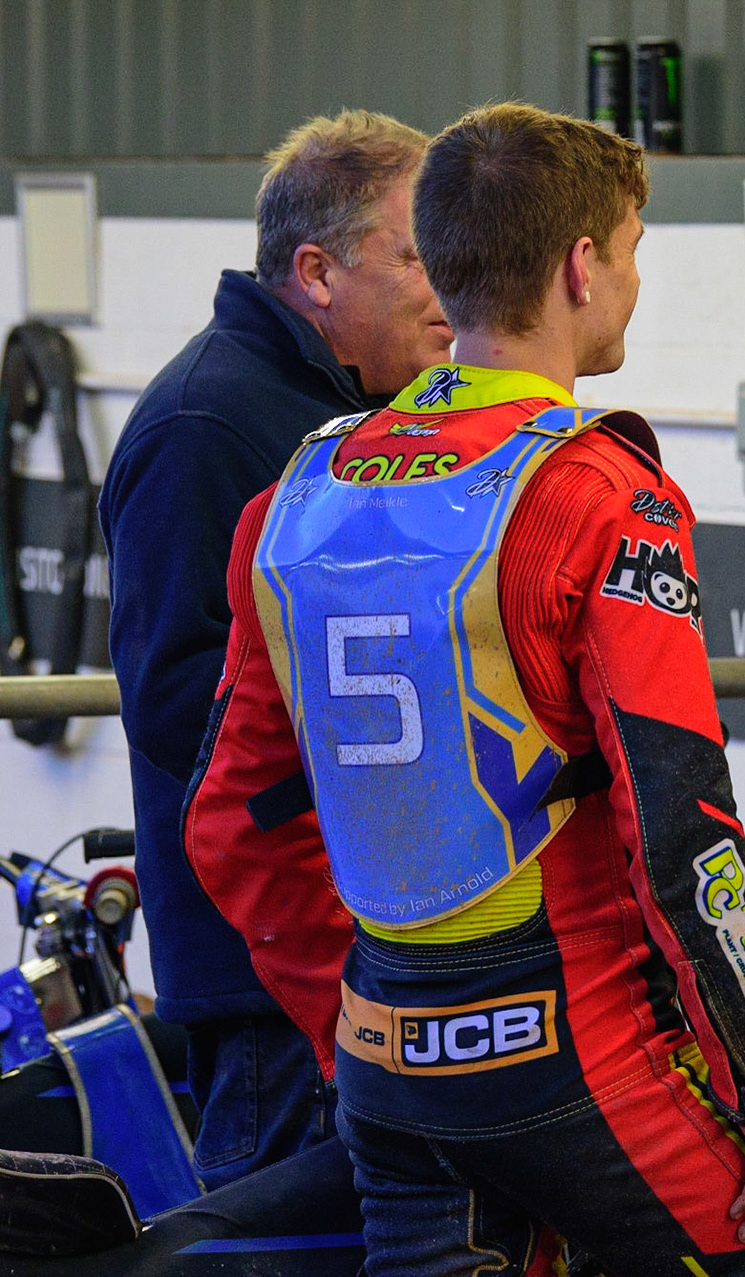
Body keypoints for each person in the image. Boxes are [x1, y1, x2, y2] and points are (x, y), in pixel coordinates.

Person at [180, 102, 745, 1276]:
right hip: (576, 1053)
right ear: (580, 266)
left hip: (386, 1072)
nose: (630, 282)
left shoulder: (296, 490)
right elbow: (683, 812)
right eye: (630, 252)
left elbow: (234, 813)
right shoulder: (600, 491)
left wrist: (353, 1017)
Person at [99, 108, 449, 1190]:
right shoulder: (208, 424)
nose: (448, 286)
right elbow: (174, 699)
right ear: (317, 271)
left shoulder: (359, 414)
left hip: (370, 941)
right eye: (416, 254)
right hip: (270, 978)